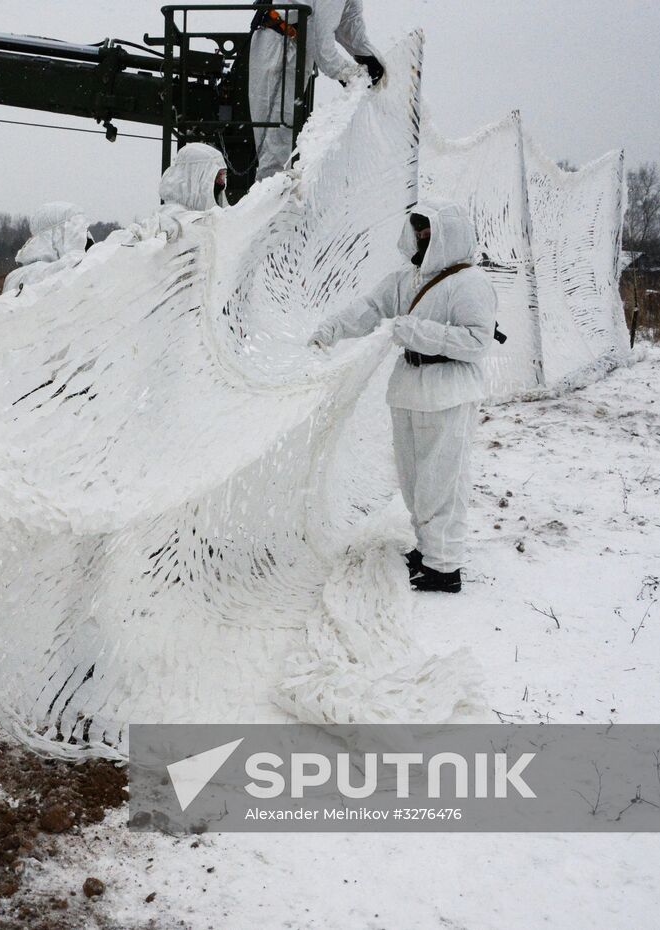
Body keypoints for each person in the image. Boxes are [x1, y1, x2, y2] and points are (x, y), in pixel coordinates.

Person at [309, 200, 496, 593]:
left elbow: (477, 341)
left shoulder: (470, 283)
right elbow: (371, 309)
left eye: (428, 228)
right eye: (418, 228)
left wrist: (416, 332)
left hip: (447, 390)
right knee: (415, 481)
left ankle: (443, 567)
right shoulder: (405, 280)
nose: (422, 236)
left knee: (442, 481)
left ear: (449, 233)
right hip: (410, 388)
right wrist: (329, 330)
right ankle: (427, 549)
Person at [248, 1, 384, 181]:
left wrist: (370, 58)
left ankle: (274, 190)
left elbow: (350, 24)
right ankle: (269, 195)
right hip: (279, 45)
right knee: (276, 130)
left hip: (294, 42)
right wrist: (347, 73)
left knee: (283, 126)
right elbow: (320, 42)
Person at [2, 201, 92, 295]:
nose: (84, 239)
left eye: (83, 231)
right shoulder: (20, 277)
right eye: (74, 232)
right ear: (53, 236)